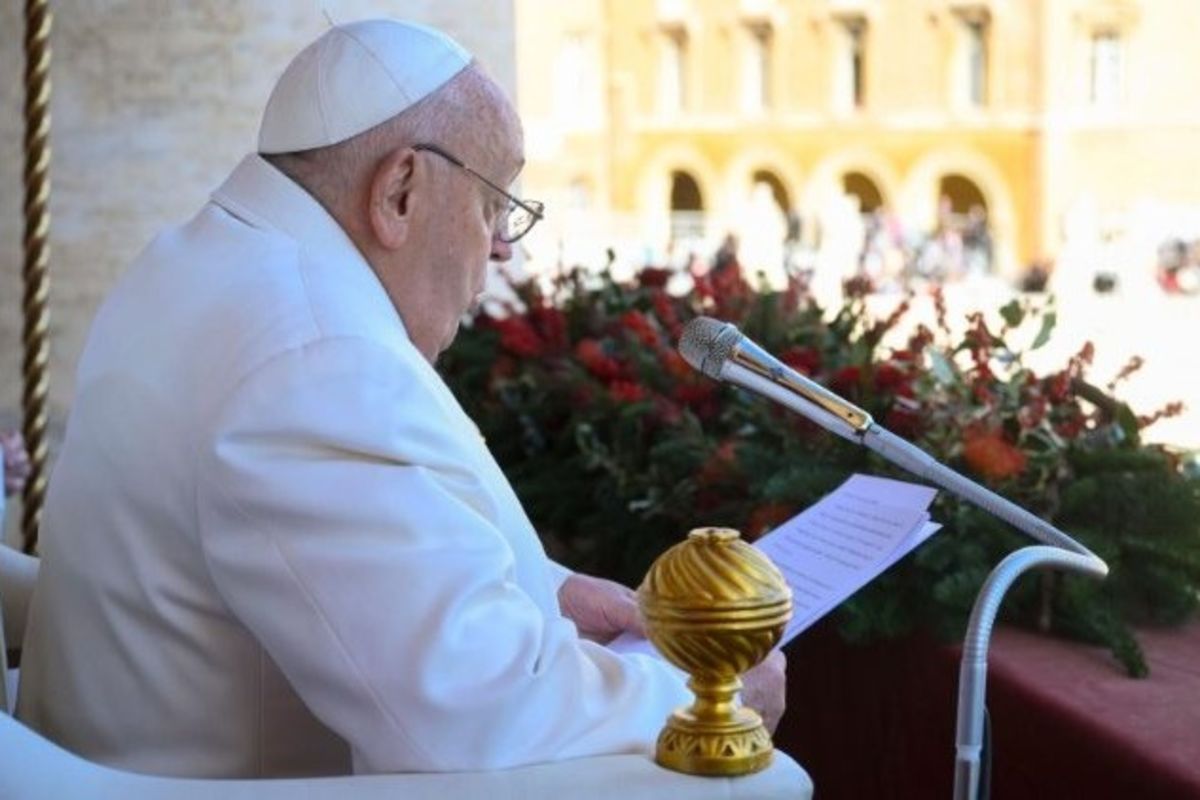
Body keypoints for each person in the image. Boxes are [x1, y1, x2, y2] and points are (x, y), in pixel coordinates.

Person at [15, 19, 785, 779]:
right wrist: (703, 694)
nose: (504, 243)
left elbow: (344, 558)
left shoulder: (199, 265)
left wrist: (552, 592)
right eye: (495, 200)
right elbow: (474, 714)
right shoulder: (318, 356)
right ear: (401, 190)